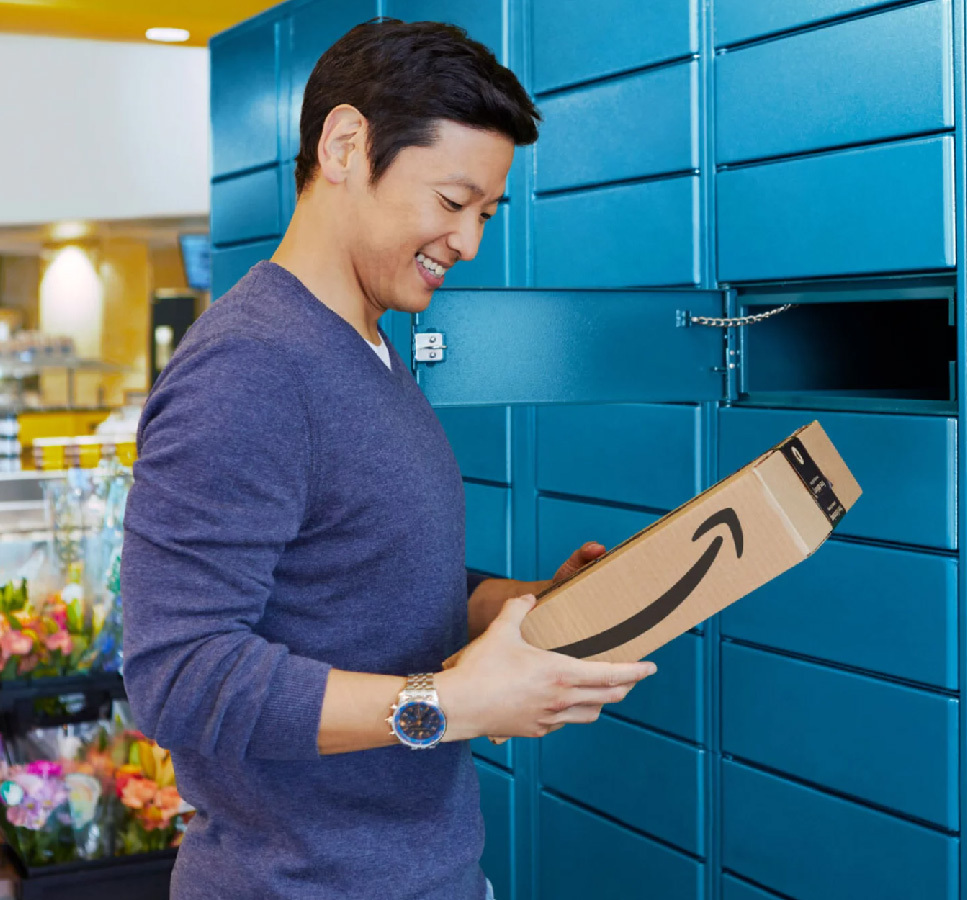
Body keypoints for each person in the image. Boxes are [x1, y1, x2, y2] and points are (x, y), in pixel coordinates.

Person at [121, 19, 655, 900]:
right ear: (344, 146)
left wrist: (518, 610)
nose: (471, 242)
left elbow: (357, 587)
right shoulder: (250, 368)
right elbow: (179, 675)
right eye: (452, 203)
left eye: (486, 212)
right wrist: (448, 706)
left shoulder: (365, 349)